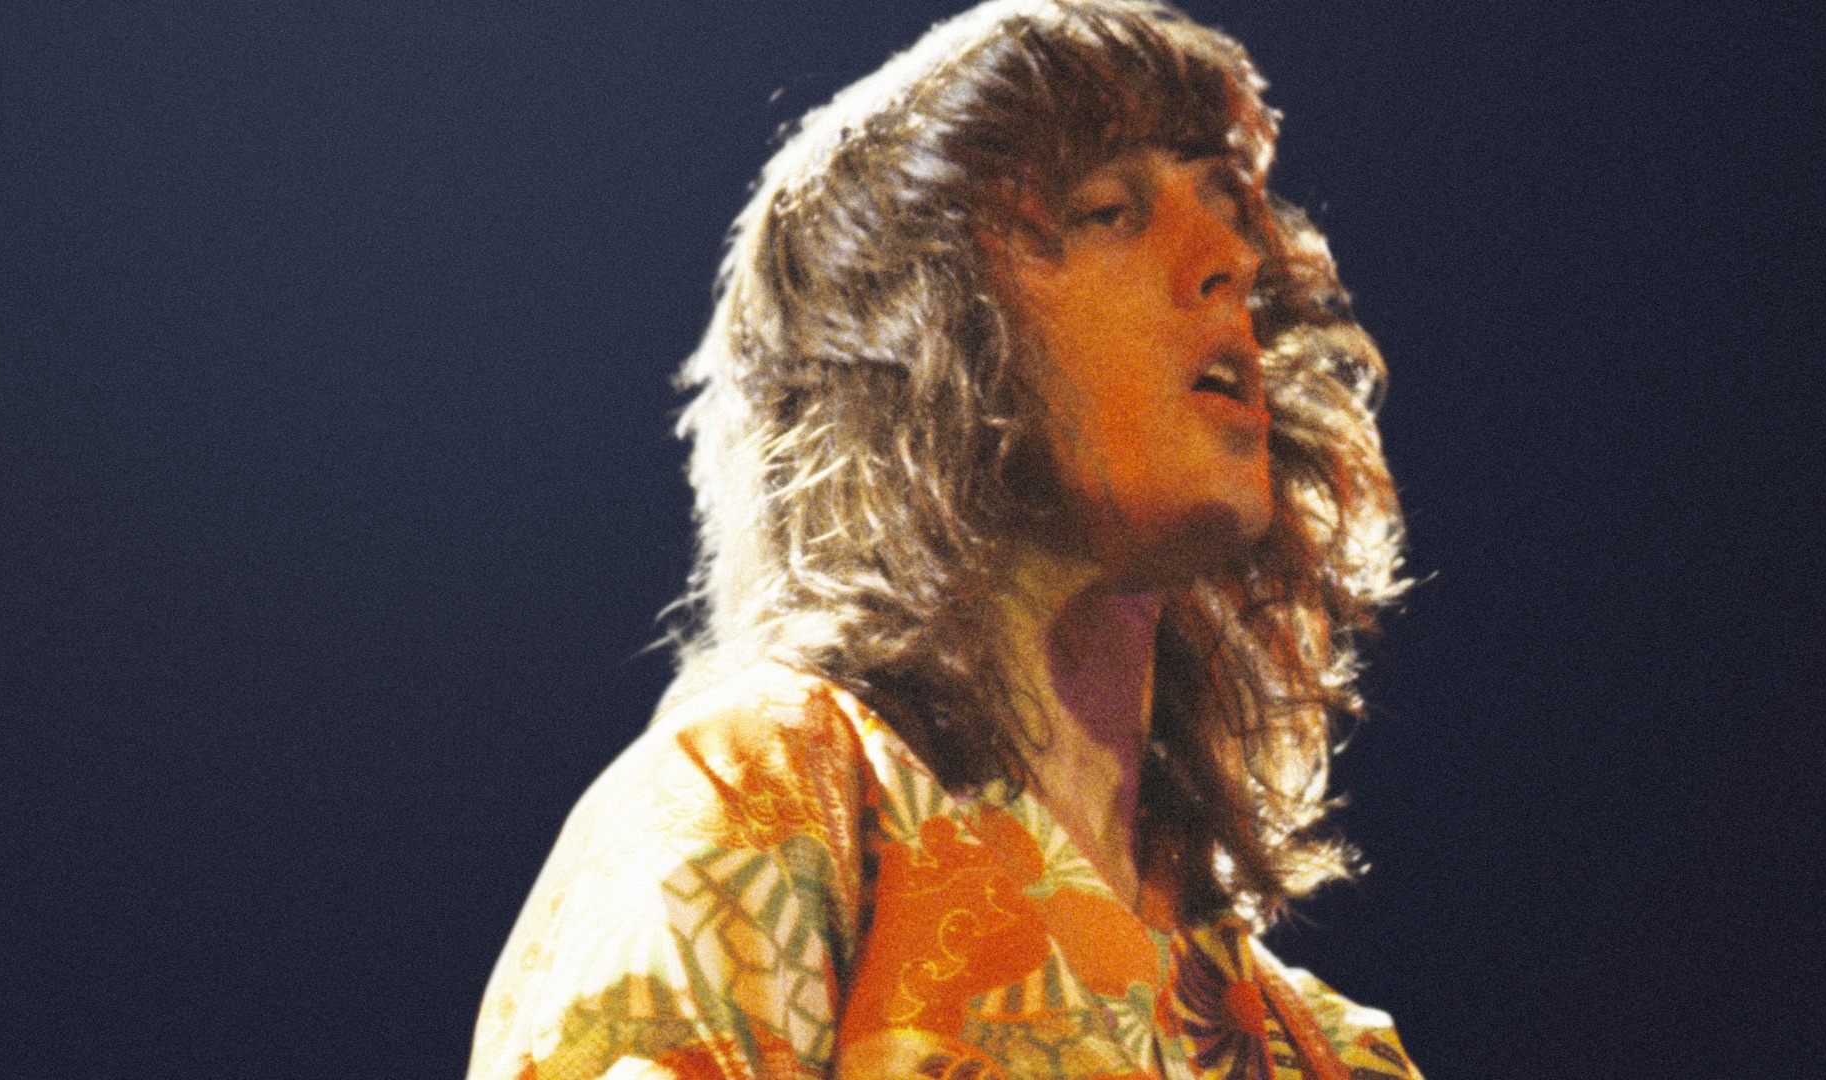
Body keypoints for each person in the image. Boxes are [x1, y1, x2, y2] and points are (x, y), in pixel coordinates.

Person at [469, 2, 1414, 1078]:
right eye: (1109, 211)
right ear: (919, 332)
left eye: (1226, 207)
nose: (1230, 260)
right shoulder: (757, 801)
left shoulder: (1327, 1052)